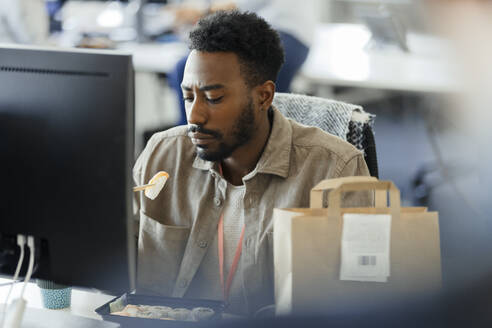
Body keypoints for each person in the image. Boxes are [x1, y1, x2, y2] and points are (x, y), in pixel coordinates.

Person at [133, 10, 370, 316]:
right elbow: (114, 265)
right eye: (189, 97)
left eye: (214, 98)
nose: (194, 116)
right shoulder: (163, 155)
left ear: (263, 96)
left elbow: (365, 302)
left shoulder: (336, 171)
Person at [167, 0, 315, 125]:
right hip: (252, 32)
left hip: (287, 33)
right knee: (185, 66)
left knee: (257, 89)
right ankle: (192, 141)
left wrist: (200, 12)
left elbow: (239, 6)